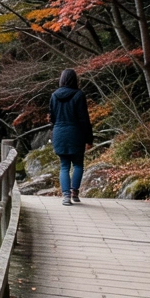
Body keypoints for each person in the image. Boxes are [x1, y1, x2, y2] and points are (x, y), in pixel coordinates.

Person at [49, 69, 93, 206]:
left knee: (64, 166)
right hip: (76, 133)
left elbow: (52, 118)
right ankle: (75, 192)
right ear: (75, 80)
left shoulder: (54, 96)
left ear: (61, 79)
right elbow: (84, 119)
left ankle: (66, 196)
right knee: (78, 164)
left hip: (59, 133)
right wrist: (89, 139)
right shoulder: (79, 95)